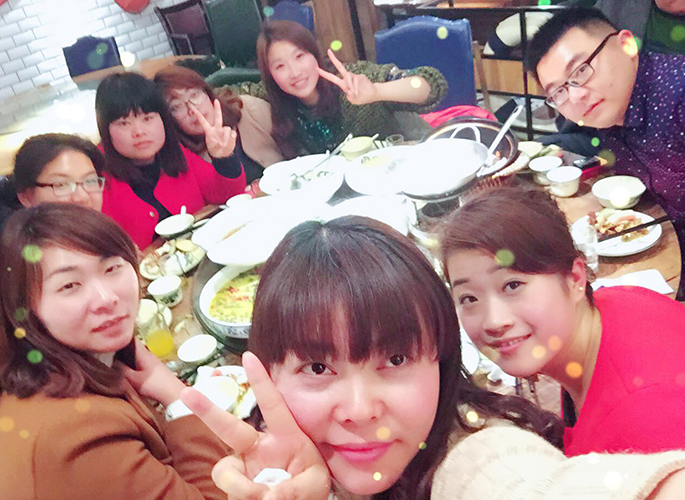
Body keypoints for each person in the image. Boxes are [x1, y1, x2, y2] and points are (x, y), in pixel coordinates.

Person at [183, 216, 685, 500]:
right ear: (268, 375)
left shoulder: (474, 452)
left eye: (396, 358)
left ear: (441, 362)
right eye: (318, 368)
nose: (360, 410)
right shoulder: (276, 471)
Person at [0, 203, 230, 499]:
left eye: (112, 268)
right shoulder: (77, 434)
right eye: (69, 285)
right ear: (24, 309)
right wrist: (179, 397)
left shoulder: (49, 362)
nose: (106, 298)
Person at [439, 184, 685, 457]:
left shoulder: (644, 425)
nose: (494, 321)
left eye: (512, 285)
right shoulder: (608, 306)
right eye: (469, 298)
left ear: (575, 278)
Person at [526, 8, 685, 296]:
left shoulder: (677, 94)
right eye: (558, 92)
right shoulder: (608, 113)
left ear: (626, 45)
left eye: (581, 71)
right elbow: (584, 142)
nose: (575, 95)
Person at [225, 20, 448, 159]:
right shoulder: (275, 96)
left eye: (300, 56)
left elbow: (430, 84)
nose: (294, 72)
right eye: (280, 66)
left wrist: (377, 91)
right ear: (271, 75)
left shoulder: (352, 79)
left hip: (416, 161)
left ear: (314, 54)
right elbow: (222, 92)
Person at [95, 72, 247, 249]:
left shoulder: (176, 153)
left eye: (147, 118)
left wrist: (224, 159)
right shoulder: (95, 179)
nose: (139, 132)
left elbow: (226, 195)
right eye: (123, 123)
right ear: (105, 130)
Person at [0, 133, 107, 295]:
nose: (82, 197)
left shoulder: (94, 236)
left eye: (90, 181)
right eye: (61, 185)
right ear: (27, 197)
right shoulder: (11, 268)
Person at [154, 65, 284, 184]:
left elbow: (291, 148)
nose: (193, 109)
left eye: (194, 95)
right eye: (177, 106)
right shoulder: (181, 159)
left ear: (207, 93)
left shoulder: (248, 109)